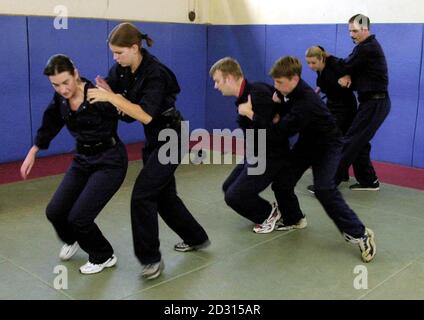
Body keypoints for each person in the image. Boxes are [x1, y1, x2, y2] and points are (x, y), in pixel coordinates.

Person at [87, 22, 210, 280]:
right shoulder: (121, 69)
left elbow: (143, 115)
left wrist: (114, 98)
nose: (115, 57)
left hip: (172, 136)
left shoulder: (156, 73)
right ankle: (196, 237)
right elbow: (110, 92)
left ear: (135, 48)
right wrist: (102, 93)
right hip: (155, 139)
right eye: (112, 53)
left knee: (142, 195)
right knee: (164, 197)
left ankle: (150, 260)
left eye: (119, 52)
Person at [239, 56, 376, 262]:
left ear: (294, 79)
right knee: (282, 182)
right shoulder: (291, 91)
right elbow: (284, 112)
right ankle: (295, 218)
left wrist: (251, 115)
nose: (276, 88)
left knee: (324, 189)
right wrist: (280, 101)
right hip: (307, 143)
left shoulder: (306, 103)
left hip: (328, 146)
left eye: (279, 83)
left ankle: (360, 234)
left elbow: (279, 132)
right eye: (275, 83)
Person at [20, 54, 129, 274]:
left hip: (110, 161)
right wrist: (34, 150)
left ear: (75, 74)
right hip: (82, 160)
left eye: (66, 82)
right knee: (55, 211)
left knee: (79, 217)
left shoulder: (96, 95)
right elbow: (50, 122)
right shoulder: (61, 99)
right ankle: (73, 239)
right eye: (56, 85)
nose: (62, 89)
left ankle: (104, 255)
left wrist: (113, 98)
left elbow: (127, 115)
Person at [209, 57, 306, 234]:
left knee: (234, 196)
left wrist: (250, 114)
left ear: (229, 78)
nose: (216, 86)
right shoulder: (246, 95)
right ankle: (293, 216)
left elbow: (274, 132)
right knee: (228, 187)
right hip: (257, 151)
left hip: (270, 155)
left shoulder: (257, 94)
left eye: (217, 81)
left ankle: (268, 213)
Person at [334, 14, 391, 191]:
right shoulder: (366, 48)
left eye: (355, 31)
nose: (351, 34)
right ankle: (368, 180)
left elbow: (342, 66)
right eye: (350, 30)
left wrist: (326, 60)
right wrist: (349, 75)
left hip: (375, 103)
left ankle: (327, 182)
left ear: (365, 29)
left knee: (350, 141)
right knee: (360, 142)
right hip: (372, 102)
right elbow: (356, 70)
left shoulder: (366, 48)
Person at [305, 46, 357, 192]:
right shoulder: (320, 71)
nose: (310, 66)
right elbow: (323, 84)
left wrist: (348, 77)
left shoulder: (334, 64)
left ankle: (327, 183)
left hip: (345, 108)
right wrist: (314, 93)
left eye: (313, 62)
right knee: (339, 141)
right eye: (308, 63)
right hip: (333, 106)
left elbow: (351, 69)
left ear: (322, 58)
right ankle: (343, 174)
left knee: (331, 143)